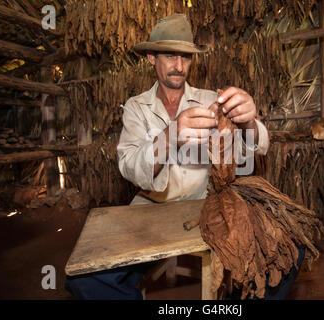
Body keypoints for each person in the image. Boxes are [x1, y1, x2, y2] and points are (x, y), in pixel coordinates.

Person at [65, 13, 303, 300]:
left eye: (186, 58)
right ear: (151, 57)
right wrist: (170, 134)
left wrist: (249, 122)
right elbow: (129, 166)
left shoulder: (210, 100)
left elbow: (251, 149)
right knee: (85, 279)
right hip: (150, 209)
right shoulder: (136, 107)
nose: (179, 66)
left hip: (205, 206)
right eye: (170, 56)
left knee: (290, 251)